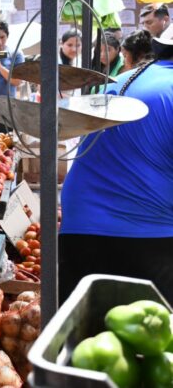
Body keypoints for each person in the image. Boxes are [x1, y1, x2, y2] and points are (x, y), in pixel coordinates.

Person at [59, 37, 173, 301]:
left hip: (80, 226)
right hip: (146, 238)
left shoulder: (125, 79)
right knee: (146, 338)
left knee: (80, 333)